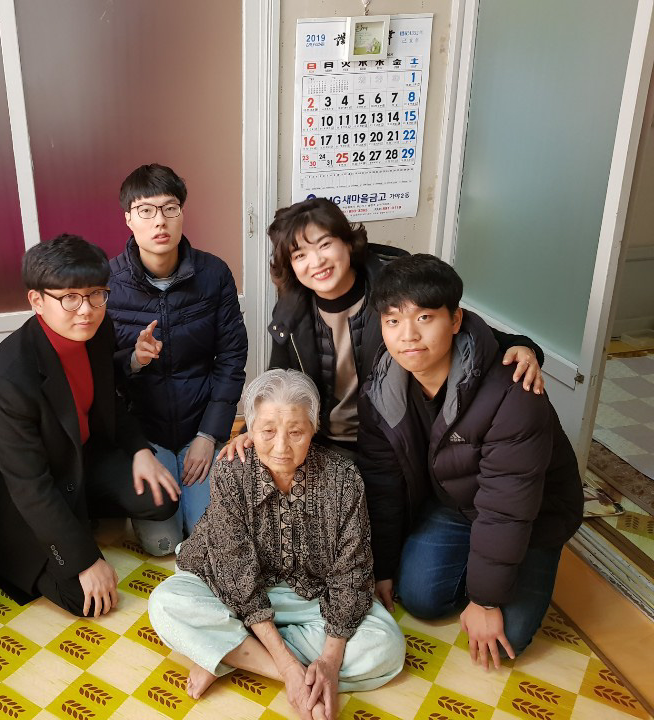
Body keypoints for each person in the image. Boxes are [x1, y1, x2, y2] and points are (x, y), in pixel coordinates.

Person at [357, 254, 583, 670]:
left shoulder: (513, 392)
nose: (408, 335)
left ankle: (515, 566)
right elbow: (383, 485)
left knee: (508, 636)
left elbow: (507, 506)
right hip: (457, 505)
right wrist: (382, 567)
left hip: (534, 515)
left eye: (424, 318)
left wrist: (485, 601)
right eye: (393, 320)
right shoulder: (383, 385)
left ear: (455, 319)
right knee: (420, 599)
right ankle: (482, 562)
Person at [149, 369, 404, 720]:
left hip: (311, 596)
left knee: (386, 647)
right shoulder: (230, 472)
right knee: (167, 603)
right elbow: (235, 575)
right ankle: (288, 671)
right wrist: (287, 669)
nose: (282, 447)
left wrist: (330, 663)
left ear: (313, 428)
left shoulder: (344, 480)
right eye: (268, 431)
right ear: (250, 430)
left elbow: (351, 573)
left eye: (296, 432)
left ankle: (230, 653)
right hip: (233, 588)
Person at [220, 197, 544, 461]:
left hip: (394, 441)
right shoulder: (291, 309)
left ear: (347, 243)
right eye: (300, 254)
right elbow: (280, 377)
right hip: (322, 443)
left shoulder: (393, 285)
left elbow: (456, 324)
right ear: (290, 265)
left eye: (324, 244)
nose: (316, 262)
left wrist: (521, 346)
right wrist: (251, 429)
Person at [0, 234, 180, 618]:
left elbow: (113, 401)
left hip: (84, 458)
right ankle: (73, 526)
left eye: (95, 295)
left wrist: (141, 451)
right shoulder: (9, 376)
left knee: (160, 499)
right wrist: (85, 559)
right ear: (37, 300)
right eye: (69, 298)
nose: (86, 310)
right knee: (87, 600)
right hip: (37, 486)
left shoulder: (97, 332)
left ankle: (84, 512)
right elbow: (28, 486)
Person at [108, 164, 247, 555]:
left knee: (208, 537)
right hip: (146, 435)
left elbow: (232, 356)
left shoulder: (213, 273)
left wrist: (209, 436)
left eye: (170, 208)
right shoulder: (108, 283)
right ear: (128, 219)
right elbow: (100, 372)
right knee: (162, 544)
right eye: (146, 210)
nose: (160, 221)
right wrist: (133, 360)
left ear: (182, 213)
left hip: (199, 425)